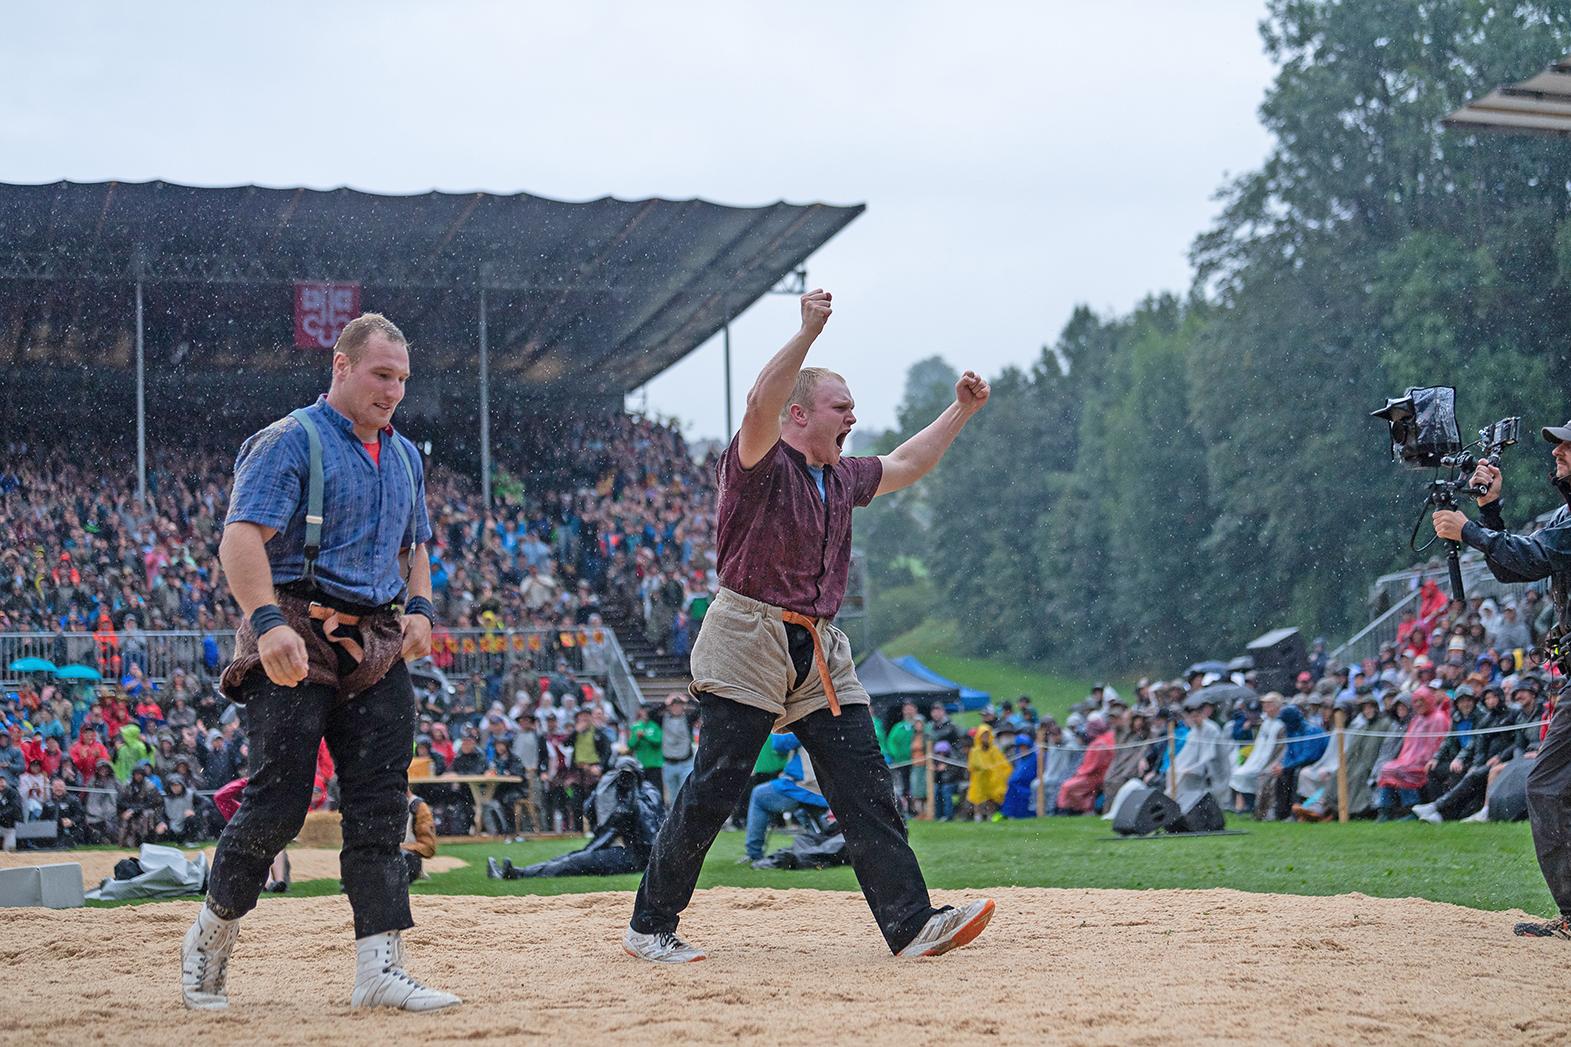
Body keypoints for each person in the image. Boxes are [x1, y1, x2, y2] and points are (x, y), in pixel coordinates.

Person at [624, 290, 995, 964]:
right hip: (747, 631)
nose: (853, 414)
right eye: (839, 405)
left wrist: (960, 411)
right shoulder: (759, 462)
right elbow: (757, 403)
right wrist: (805, 331)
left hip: (819, 642)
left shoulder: (840, 475)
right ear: (798, 416)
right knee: (714, 785)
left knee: (863, 784)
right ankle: (649, 926)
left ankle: (911, 925)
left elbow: (908, 463)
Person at [180, 313, 459, 1011]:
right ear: (340, 366)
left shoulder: (404, 455)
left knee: (380, 806)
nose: (393, 391)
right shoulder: (289, 440)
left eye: (401, 378)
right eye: (380, 374)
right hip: (295, 629)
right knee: (275, 807)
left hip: (377, 639)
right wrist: (265, 619)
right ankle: (209, 940)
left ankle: (379, 967)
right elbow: (240, 539)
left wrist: (421, 607)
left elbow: (415, 544)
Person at [1434, 426, 1571, 936]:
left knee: (1550, 787)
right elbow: (1518, 568)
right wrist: (1490, 513)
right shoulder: (1565, 516)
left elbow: (1533, 557)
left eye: (1567, 445)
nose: (1556, 451)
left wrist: (1469, 530)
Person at [742, 734, 829, 862]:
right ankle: (824, 846)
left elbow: (779, 744)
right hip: (826, 787)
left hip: (803, 785)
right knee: (805, 812)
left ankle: (754, 853)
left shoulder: (805, 720)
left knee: (758, 794)